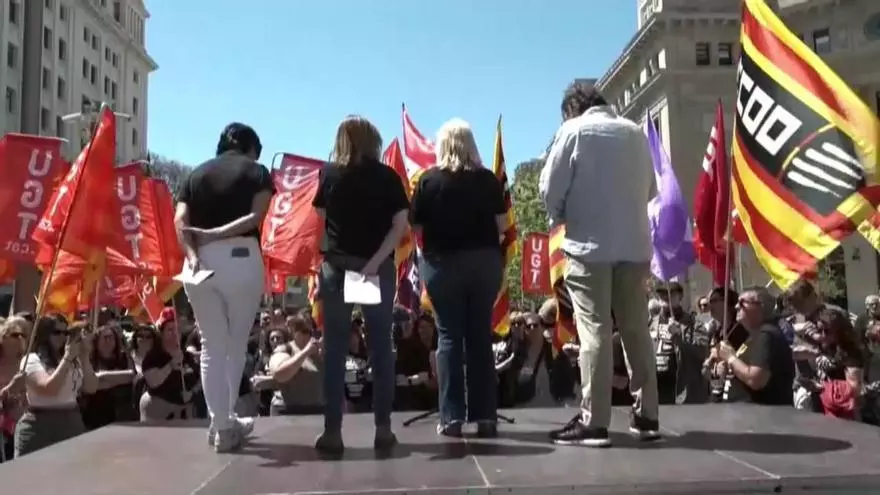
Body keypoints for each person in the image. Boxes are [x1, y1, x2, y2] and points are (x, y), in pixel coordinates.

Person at [539, 81, 659, 447]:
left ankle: (594, 421)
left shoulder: (572, 131)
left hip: (588, 246)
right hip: (634, 245)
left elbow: (549, 188)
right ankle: (647, 415)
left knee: (594, 331)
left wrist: (561, 214)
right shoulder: (635, 132)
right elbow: (651, 189)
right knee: (636, 328)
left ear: (570, 110)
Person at [311, 115, 409, 454]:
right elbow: (400, 225)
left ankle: (332, 432)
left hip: (337, 268)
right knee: (380, 348)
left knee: (335, 349)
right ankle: (383, 429)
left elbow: (321, 217)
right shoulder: (388, 177)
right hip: (375, 269)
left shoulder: (329, 173)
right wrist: (375, 261)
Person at [175, 123, 275, 453]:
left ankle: (221, 423)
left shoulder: (195, 175)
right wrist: (217, 235)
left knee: (211, 345)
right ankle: (224, 422)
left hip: (198, 263)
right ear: (250, 148)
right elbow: (256, 217)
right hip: (240, 257)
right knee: (234, 344)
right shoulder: (257, 172)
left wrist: (193, 253)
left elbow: (180, 221)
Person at [409, 118, 506, 437]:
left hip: (442, 265)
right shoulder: (488, 180)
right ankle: (486, 415)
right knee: (480, 336)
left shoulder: (428, 181)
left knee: (448, 336)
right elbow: (503, 225)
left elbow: (416, 227)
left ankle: (451, 417)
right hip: (484, 263)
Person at [714, 286, 795, 405]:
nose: (736, 306)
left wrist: (731, 358)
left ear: (760, 306)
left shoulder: (766, 334)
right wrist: (729, 368)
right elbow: (745, 370)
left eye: (742, 302)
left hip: (760, 413)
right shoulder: (755, 335)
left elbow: (756, 380)